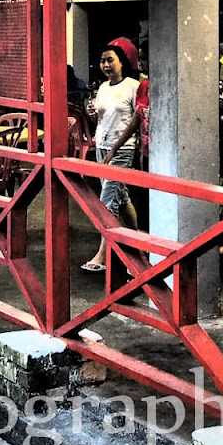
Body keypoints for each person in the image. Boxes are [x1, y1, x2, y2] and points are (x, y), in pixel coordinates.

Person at [81, 38, 145, 273]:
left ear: (122, 62)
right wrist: (91, 114)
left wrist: (117, 148)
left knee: (107, 202)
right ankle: (137, 245)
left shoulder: (133, 86)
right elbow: (101, 120)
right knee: (121, 196)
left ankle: (103, 255)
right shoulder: (103, 87)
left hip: (123, 148)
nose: (106, 65)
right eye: (102, 61)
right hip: (102, 146)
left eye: (110, 60)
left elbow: (136, 121)